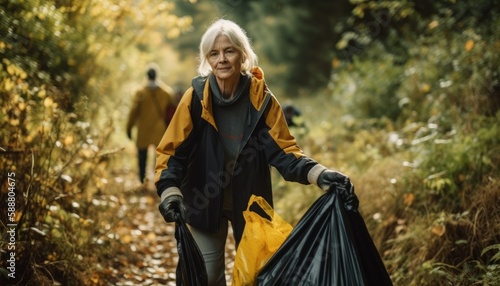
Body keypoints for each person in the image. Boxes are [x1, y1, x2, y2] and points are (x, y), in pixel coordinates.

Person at [154, 19, 351, 285]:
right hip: (202, 200)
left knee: (254, 278)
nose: (222, 59)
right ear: (207, 60)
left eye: (229, 51)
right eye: (214, 53)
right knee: (205, 277)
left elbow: (285, 151)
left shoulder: (262, 101)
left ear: (243, 55)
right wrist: (169, 190)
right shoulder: (196, 99)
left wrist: (320, 174)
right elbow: (172, 150)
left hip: (251, 205)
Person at [127, 63, 175, 185]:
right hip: (160, 130)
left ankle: (142, 181)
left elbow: (133, 112)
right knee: (159, 157)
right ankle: (157, 180)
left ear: (147, 76)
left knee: (142, 157)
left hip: (143, 130)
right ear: (157, 75)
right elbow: (172, 112)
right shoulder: (167, 92)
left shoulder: (140, 92)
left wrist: (129, 128)